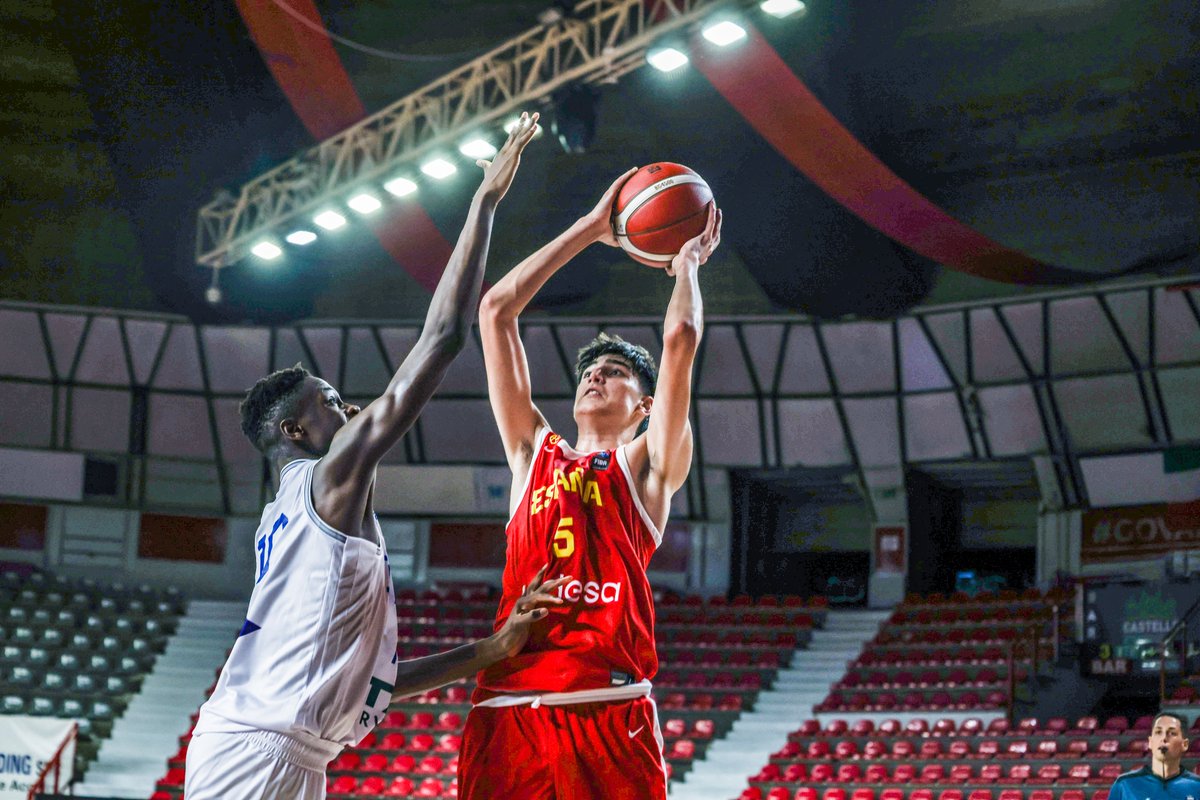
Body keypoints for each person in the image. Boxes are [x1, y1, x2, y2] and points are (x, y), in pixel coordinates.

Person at [184, 113, 566, 800]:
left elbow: (373, 685)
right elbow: (443, 338)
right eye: (330, 401)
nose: (350, 406)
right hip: (258, 749)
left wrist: (490, 651)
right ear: (296, 431)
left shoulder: (303, 512)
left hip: (282, 750)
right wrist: (484, 204)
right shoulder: (324, 481)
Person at [460, 169, 722, 799]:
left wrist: (686, 264)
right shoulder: (533, 453)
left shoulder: (648, 467)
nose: (595, 377)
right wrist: (591, 228)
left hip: (607, 707)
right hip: (507, 707)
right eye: (590, 371)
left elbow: (681, 339)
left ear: (645, 406)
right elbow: (495, 310)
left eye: (613, 372)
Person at [1108, 712, 1199, 800]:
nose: (1164, 738)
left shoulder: (1197, 786)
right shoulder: (1124, 784)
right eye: (1158, 732)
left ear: (1184, 744)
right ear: (1150, 742)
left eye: (1172, 733)